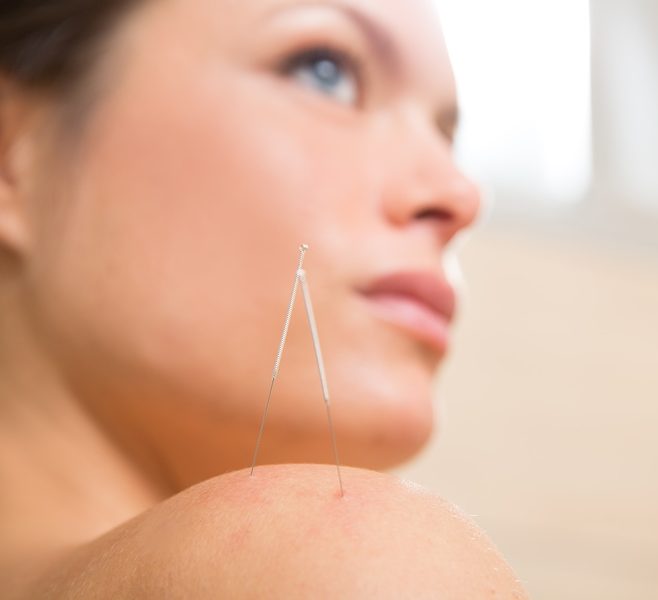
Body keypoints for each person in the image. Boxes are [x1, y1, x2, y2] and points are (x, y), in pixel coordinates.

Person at [0, 0, 528, 596]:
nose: (459, 195)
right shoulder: (351, 555)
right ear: (11, 153)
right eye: (324, 69)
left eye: (445, 133)